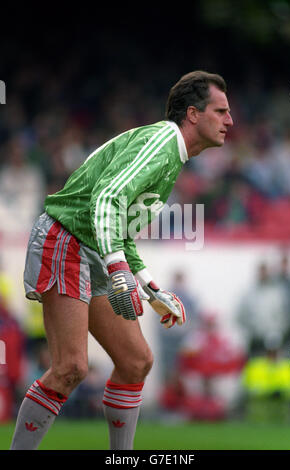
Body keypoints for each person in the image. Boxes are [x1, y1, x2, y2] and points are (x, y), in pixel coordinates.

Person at [10, 70, 233, 450]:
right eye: (222, 110)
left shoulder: (170, 154)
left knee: (136, 360)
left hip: (91, 247)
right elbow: (106, 200)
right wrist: (117, 271)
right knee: (71, 368)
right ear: (193, 115)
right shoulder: (163, 141)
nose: (231, 121)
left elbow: (121, 230)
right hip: (66, 239)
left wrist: (150, 288)